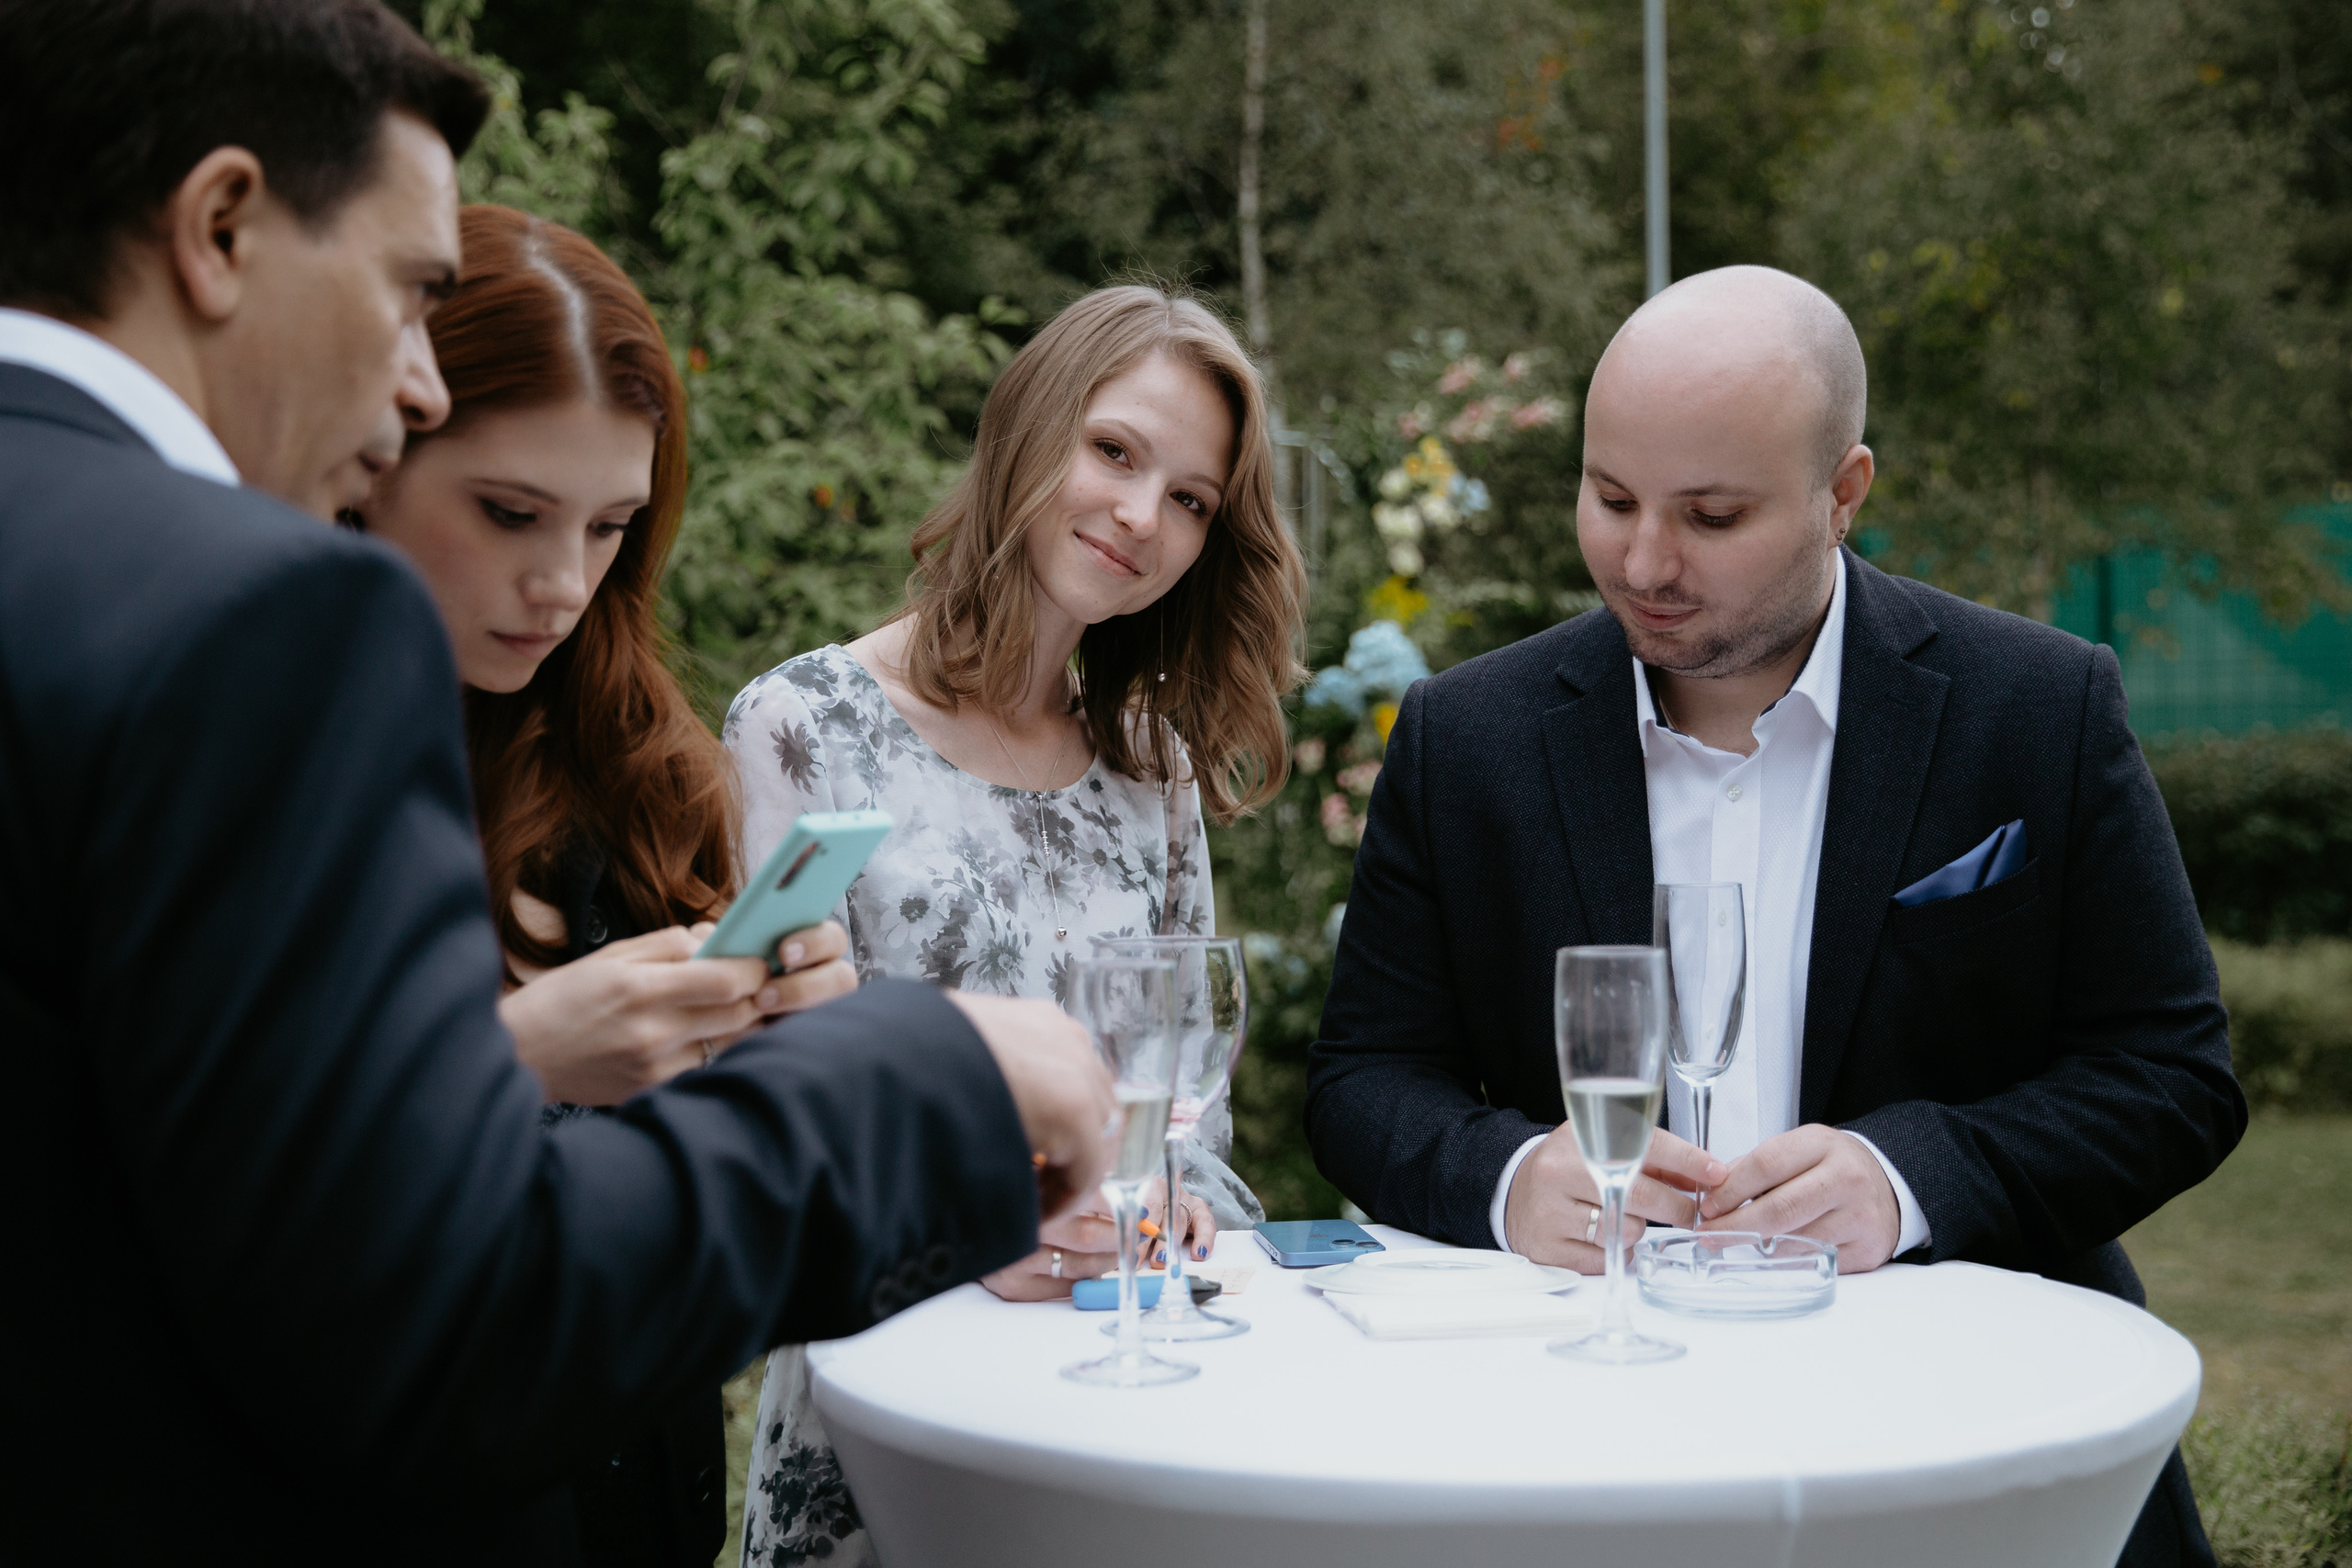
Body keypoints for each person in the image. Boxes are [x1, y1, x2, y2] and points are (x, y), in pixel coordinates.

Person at [0, 5, 1112, 1562]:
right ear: (222, 226)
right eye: (407, 296)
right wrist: (924, 1077)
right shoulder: (257, 614)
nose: (408, 387)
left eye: (605, 532)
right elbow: (439, 1313)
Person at [1306, 265, 2242, 1568]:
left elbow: (2175, 1077)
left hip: (1975, 1437)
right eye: (1611, 498)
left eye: (1712, 515)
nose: (1643, 561)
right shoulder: (1470, 738)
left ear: (1844, 492)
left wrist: (1914, 1178)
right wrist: (1516, 1179)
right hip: (1572, 1444)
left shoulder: (2036, 709)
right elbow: (1362, 1079)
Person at [722, 282, 1306, 1565]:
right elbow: (767, 1118)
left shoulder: (1148, 766)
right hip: (891, 1432)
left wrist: (1174, 1205)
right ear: (1031, 429)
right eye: (1114, 451)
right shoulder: (805, 726)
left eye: (1194, 500)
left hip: (1125, 1415)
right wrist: (974, 1221)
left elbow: (1184, 1113)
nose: (1143, 517)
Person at [345, 201, 858, 1564]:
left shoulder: (641, 771)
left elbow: (730, 1248)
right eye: (511, 511)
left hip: (637, 1496)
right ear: (376, 445)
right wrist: (508, 1064)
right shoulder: (266, 753)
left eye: (613, 527)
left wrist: (790, 1052)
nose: (561, 582)